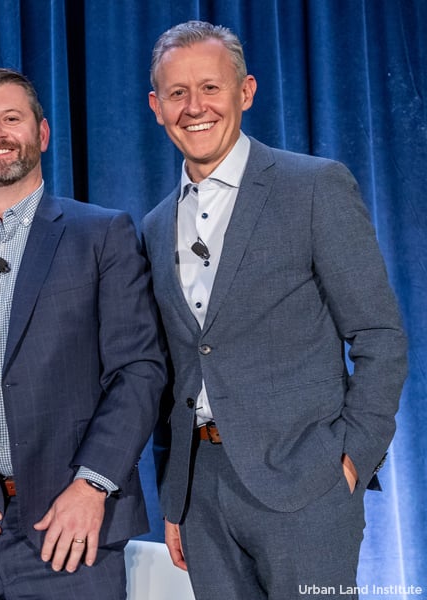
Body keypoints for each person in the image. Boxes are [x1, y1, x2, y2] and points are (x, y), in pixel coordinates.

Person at [142, 21, 408, 599]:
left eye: (210, 88)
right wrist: (176, 494)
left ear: (246, 92)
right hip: (202, 493)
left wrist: (349, 460)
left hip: (306, 485)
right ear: (156, 107)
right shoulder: (155, 225)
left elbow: (380, 336)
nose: (195, 108)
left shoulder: (312, 187)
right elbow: (173, 371)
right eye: (177, 93)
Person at [0, 68, 166, 598]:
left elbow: (138, 371)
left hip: (72, 528)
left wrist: (93, 484)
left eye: (11, 119)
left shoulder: (101, 235)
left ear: (41, 133)